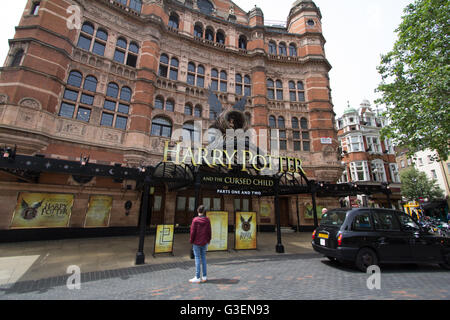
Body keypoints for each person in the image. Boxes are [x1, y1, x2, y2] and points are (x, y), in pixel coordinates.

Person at [189, 205, 212, 284]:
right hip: (204, 242)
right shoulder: (207, 220)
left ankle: (197, 277)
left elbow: (192, 232)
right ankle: (204, 276)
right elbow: (209, 231)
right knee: (204, 258)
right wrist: (208, 240)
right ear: (204, 211)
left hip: (196, 242)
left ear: (197, 211)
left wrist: (191, 240)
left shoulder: (195, 220)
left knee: (197, 259)